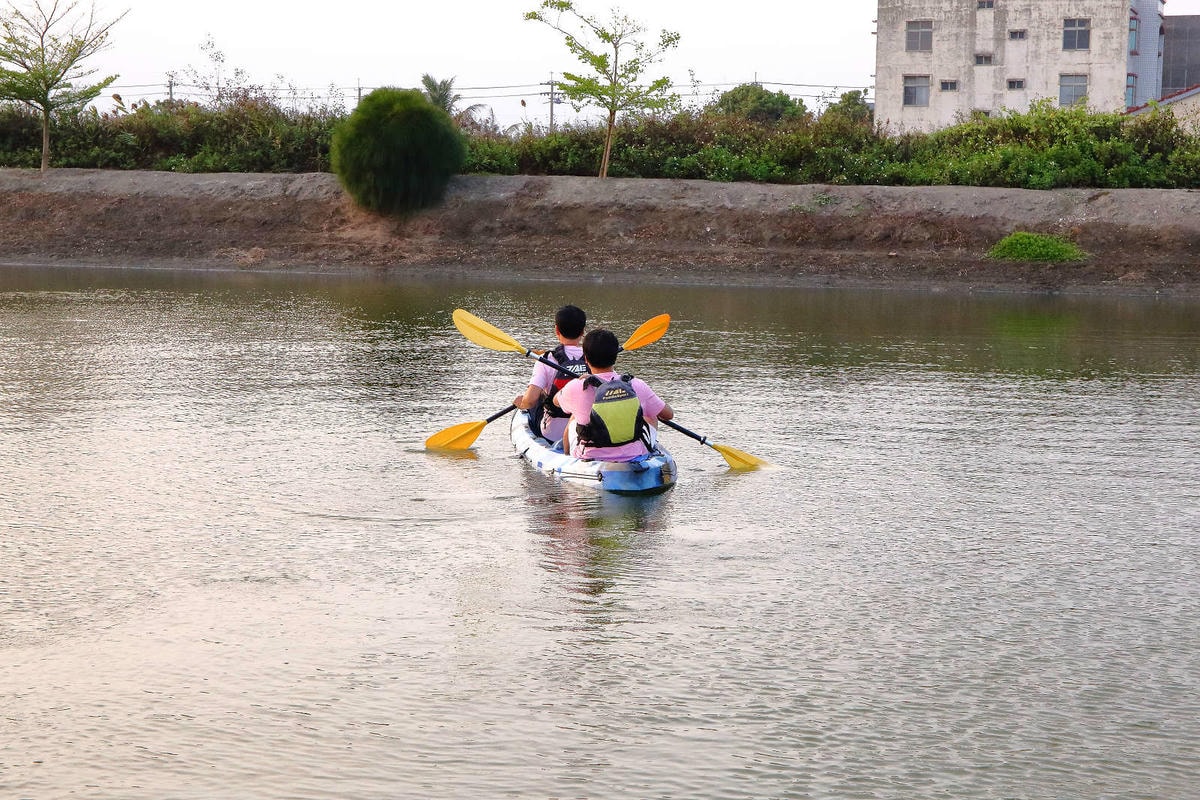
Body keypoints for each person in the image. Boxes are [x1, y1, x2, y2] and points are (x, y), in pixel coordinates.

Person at [555, 328, 674, 462]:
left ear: (586, 359)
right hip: (633, 455)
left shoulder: (577, 386)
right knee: (650, 415)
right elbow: (668, 414)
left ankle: (567, 458)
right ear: (615, 358)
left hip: (590, 457)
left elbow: (556, 402)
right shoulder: (635, 384)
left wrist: (582, 382)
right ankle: (645, 450)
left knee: (574, 415)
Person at [513, 304, 589, 444]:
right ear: (583, 331)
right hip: (586, 432)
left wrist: (522, 403)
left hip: (553, 433)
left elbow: (530, 401)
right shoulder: (593, 357)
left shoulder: (546, 360)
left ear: (556, 330)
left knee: (536, 399)